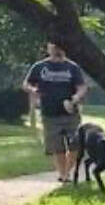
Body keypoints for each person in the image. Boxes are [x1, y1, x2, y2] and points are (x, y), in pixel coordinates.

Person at [22, 41, 89, 182]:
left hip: (71, 113)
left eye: (60, 47)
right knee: (57, 147)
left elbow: (82, 86)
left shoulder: (72, 67)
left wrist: (75, 97)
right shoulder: (39, 66)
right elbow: (26, 83)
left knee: (75, 145)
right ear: (48, 48)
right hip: (50, 113)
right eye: (54, 47)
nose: (57, 49)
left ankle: (66, 172)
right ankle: (63, 175)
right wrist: (33, 90)